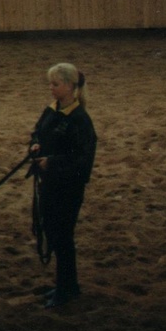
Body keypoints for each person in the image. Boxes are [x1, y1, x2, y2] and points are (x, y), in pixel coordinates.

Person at [28, 62, 97, 308]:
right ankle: (67, 285)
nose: (51, 88)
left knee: (62, 237)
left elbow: (82, 159)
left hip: (67, 187)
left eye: (55, 84)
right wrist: (36, 144)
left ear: (69, 86)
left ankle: (66, 289)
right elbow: (37, 132)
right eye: (51, 83)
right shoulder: (53, 110)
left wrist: (53, 163)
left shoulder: (79, 120)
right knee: (56, 234)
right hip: (51, 183)